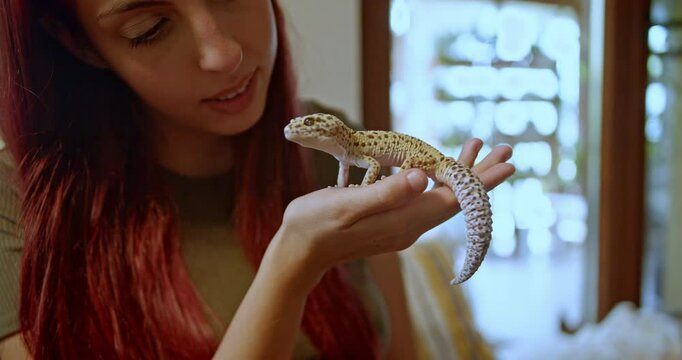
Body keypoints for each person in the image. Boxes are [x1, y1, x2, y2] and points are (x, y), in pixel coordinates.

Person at [0, 0, 515, 359]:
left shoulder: (330, 155)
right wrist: (294, 258)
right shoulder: (19, 201)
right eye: (149, 28)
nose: (223, 54)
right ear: (79, 43)